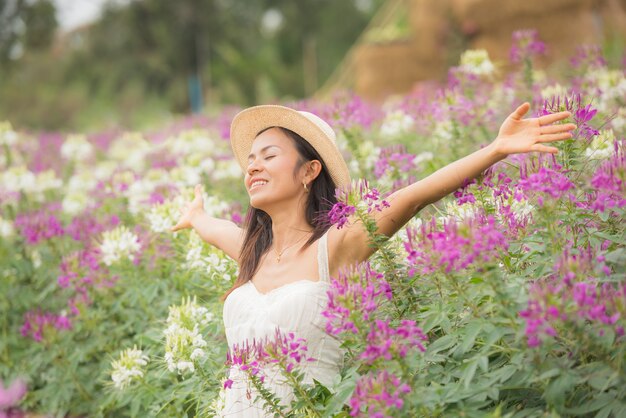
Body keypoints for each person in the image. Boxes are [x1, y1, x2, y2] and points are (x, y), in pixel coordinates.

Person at [171, 103, 575, 416]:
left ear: (309, 170)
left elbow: (415, 195)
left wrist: (496, 149)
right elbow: (216, 228)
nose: (253, 165)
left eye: (268, 155)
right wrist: (196, 217)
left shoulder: (336, 246)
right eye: (250, 160)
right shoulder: (252, 254)